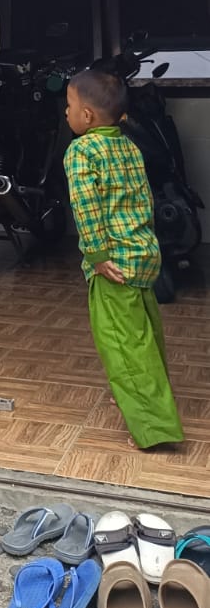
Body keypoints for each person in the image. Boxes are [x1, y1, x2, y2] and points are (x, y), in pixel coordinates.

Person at [64, 67, 183, 451]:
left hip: (113, 263)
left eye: (69, 106)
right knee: (144, 336)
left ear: (86, 116)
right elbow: (143, 200)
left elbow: (86, 208)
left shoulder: (82, 151)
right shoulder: (129, 146)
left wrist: (97, 255)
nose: (66, 112)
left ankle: (153, 428)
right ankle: (144, 397)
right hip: (142, 254)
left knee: (123, 345)